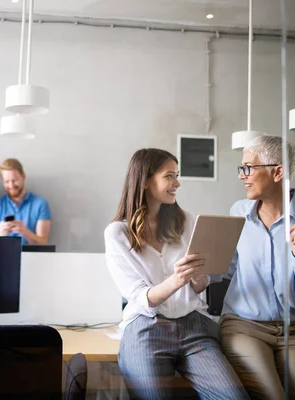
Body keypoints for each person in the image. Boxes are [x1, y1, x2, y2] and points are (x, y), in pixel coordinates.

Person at [104, 148, 248, 400]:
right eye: (169, 176)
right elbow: (140, 298)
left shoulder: (186, 222)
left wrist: (195, 277)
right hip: (145, 327)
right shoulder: (117, 234)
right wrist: (176, 279)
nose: (177, 183)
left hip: (193, 325)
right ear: (146, 181)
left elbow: (199, 286)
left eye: (177, 175)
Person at [219, 136, 295, 400]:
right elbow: (226, 269)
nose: (241, 176)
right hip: (244, 325)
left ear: (277, 172)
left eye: (248, 167)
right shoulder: (238, 212)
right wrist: (200, 263)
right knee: (272, 396)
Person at [0, 158, 51, 245]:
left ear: (23, 176)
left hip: (33, 257)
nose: (11, 185)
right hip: (4, 257)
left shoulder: (40, 204)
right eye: (7, 181)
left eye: (14, 180)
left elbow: (43, 244)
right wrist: (0, 235)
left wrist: (25, 232)